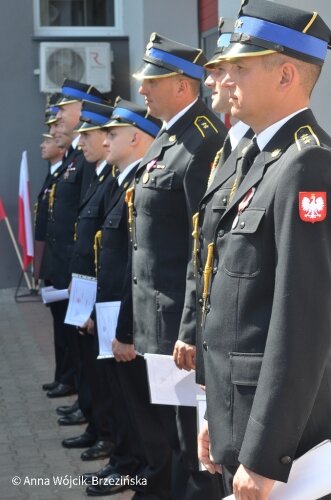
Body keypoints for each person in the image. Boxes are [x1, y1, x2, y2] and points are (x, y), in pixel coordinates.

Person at [194, 1, 331, 498]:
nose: (224, 78)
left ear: (286, 74)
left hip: (280, 446)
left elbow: (303, 323)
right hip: (239, 418)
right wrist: (214, 414)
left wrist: (265, 454)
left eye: (240, 67)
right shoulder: (249, 157)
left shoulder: (305, 163)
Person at [112, 34, 227, 500]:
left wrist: (189, 328)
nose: (143, 92)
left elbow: (202, 246)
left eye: (152, 82)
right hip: (157, 325)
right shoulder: (170, 135)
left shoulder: (202, 141)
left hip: (180, 327)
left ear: (182, 85)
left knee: (194, 451)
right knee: (174, 441)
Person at [83, 98, 162, 498]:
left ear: (136, 137)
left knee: (140, 410)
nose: (104, 140)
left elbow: (137, 263)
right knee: (122, 399)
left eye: (112, 134)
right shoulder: (118, 183)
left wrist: (125, 326)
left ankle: (140, 475)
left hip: (127, 313)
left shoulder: (136, 186)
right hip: (112, 309)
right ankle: (128, 465)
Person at [174, 18, 251, 385]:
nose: (211, 81)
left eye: (221, 70)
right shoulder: (226, 147)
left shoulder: (293, 158)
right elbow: (202, 249)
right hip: (215, 346)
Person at [40, 79, 106, 399]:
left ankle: (95, 417)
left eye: (63, 110)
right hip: (72, 269)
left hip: (82, 271)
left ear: (82, 108)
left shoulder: (87, 161)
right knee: (77, 344)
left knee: (87, 349)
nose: (58, 119)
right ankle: (88, 409)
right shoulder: (75, 158)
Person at [60, 100, 116, 461]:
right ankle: (97, 427)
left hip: (105, 297)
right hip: (85, 287)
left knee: (109, 380)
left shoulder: (108, 177)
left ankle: (111, 441)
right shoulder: (97, 175)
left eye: (89, 136)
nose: (82, 143)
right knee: (90, 368)